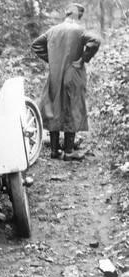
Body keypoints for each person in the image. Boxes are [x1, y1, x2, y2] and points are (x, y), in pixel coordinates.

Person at [32, 3, 101, 161]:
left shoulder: (53, 30)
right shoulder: (79, 30)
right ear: (77, 16)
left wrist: (52, 60)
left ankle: (55, 151)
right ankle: (69, 152)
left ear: (66, 14)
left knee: (53, 108)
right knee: (73, 107)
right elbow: (95, 41)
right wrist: (83, 59)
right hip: (73, 74)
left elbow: (36, 45)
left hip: (55, 74)